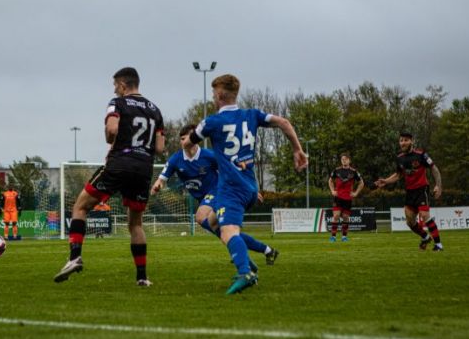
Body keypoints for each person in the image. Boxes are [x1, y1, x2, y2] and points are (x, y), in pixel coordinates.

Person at [188, 74, 307, 295]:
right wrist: (297, 149)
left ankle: (245, 272)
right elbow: (284, 122)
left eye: (214, 93)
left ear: (221, 94)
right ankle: (249, 255)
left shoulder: (213, 121)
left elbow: (191, 140)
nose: (213, 97)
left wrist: (186, 141)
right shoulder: (252, 115)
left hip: (231, 189)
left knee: (228, 232)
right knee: (209, 221)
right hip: (250, 187)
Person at [54, 67, 165, 286]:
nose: (115, 90)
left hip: (120, 163)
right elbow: (160, 147)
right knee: (135, 224)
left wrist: (109, 137)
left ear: (123, 85)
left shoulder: (118, 103)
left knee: (80, 207)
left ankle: (74, 256)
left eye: (115, 86)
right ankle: (142, 277)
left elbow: (112, 130)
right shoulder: (155, 110)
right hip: (143, 168)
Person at [151, 124, 279, 269]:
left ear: (194, 139)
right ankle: (266, 250)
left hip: (218, 191)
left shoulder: (209, 156)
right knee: (226, 232)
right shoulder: (176, 159)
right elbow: (161, 179)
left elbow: (232, 170)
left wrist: (250, 189)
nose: (182, 142)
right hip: (203, 198)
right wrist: (157, 186)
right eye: (180, 139)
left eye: (184, 138)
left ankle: (241, 252)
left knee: (200, 216)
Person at [375, 131, 443, 251]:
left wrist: (438, 185)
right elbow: (398, 175)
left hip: (422, 190)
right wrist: (385, 181)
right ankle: (425, 237)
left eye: (406, 140)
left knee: (424, 215)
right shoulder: (399, 158)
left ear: (412, 141)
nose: (403, 143)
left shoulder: (421, 154)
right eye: (401, 140)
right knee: (410, 222)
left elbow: (434, 168)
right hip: (410, 192)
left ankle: (438, 244)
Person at [327, 153, 364, 242]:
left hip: (348, 198)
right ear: (341, 160)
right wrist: (332, 191)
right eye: (342, 159)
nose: (344, 160)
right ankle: (333, 236)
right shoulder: (337, 170)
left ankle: (344, 237)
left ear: (349, 160)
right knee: (336, 216)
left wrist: (356, 193)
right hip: (338, 197)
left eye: (346, 159)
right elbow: (330, 180)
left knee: (345, 217)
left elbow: (361, 183)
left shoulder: (354, 172)